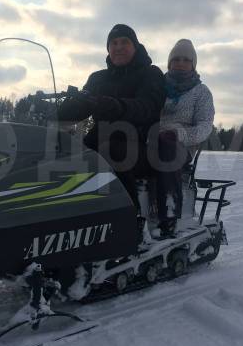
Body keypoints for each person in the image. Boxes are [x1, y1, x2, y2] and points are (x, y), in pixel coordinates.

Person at [58, 24, 166, 227]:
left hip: (142, 146)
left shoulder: (150, 74)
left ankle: (131, 224)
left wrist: (117, 106)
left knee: (113, 152)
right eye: (113, 43)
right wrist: (59, 110)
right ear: (108, 48)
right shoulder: (98, 78)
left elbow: (148, 107)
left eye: (124, 42)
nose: (118, 47)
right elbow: (80, 107)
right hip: (99, 140)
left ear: (135, 46)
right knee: (66, 153)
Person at [155, 38, 215, 237]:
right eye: (176, 59)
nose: (180, 63)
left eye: (186, 59)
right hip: (150, 139)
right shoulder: (157, 87)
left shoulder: (201, 92)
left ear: (193, 64)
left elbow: (205, 126)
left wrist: (179, 134)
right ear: (169, 62)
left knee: (167, 149)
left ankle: (170, 214)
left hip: (181, 145)